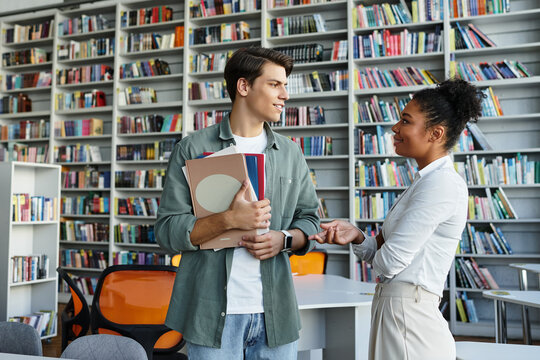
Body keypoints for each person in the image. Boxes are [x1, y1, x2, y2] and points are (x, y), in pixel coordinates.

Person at [155, 47, 320, 359]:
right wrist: (229, 219)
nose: (285, 94)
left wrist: (283, 239)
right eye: (275, 84)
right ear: (244, 87)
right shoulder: (192, 148)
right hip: (211, 315)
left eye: (285, 85)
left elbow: (310, 219)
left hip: (276, 315)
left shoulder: (290, 153)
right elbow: (167, 232)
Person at [309, 79, 485, 360]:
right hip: (394, 310)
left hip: (410, 318)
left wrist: (381, 252)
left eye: (406, 120)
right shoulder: (422, 182)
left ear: (435, 133)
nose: (395, 128)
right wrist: (356, 235)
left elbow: (390, 261)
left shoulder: (441, 185)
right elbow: (383, 253)